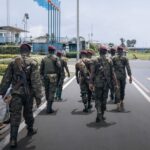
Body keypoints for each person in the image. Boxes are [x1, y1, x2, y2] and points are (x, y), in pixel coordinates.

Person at [0, 44, 42, 148]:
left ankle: (13, 139)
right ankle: (30, 130)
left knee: (15, 116)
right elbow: (36, 81)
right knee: (28, 113)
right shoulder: (33, 62)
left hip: (15, 94)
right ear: (29, 51)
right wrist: (38, 96)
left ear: (20, 51)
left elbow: (6, 79)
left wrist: (2, 92)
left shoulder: (13, 62)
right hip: (28, 94)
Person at [89, 45, 118, 122]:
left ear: (99, 51)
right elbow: (113, 73)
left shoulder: (94, 60)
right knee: (104, 99)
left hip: (97, 83)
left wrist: (90, 83)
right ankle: (101, 114)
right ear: (106, 52)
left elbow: (92, 73)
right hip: (106, 83)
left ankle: (98, 112)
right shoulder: (109, 60)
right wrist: (116, 84)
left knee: (98, 99)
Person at [40, 46, 61, 113]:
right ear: (53, 51)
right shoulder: (56, 58)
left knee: (47, 91)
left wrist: (42, 77)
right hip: (53, 76)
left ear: (48, 51)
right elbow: (59, 67)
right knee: (51, 91)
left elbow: (41, 70)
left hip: (45, 76)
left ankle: (48, 104)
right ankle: (49, 108)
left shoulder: (44, 58)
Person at [112, 46, 132, 111]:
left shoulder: (113, 58)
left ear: (117, 51)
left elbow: (111, 68)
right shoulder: (125, 58)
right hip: (122, 76)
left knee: (117, 89)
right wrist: (130, 76)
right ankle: (121, 102)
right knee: (122, 89)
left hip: (116, 76)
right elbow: (128, 67)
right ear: (122, 51)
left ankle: (118, 104)